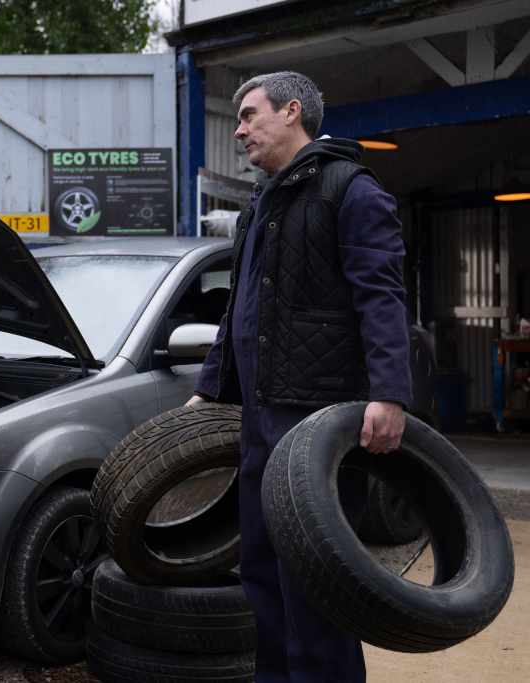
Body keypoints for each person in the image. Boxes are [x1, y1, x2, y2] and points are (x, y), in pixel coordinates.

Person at [187, 72, 411, 682]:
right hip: (262, 417)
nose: (238, 129)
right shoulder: (261, 202)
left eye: (249, 115)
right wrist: (210, 386)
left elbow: (382, 297)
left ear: (291, 112)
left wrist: (389, 394)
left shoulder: (351, 191)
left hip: (318, 421)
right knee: (262, 575)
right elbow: (240, 308)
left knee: (314, 585)